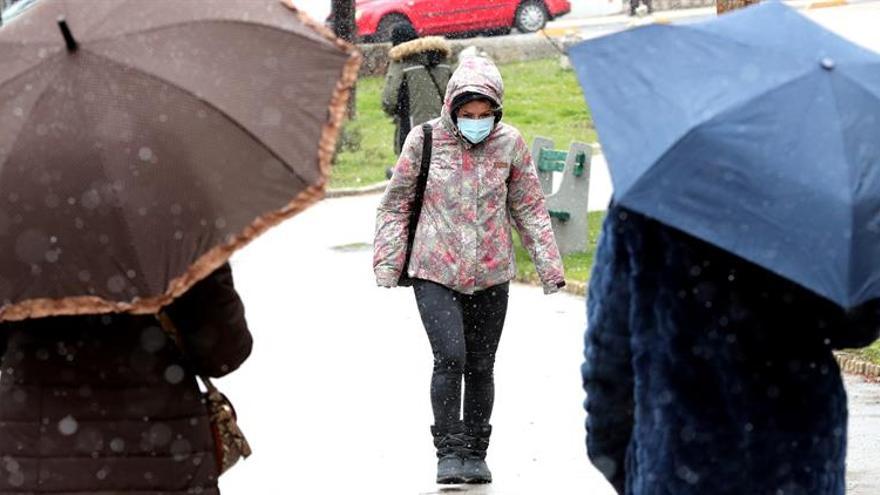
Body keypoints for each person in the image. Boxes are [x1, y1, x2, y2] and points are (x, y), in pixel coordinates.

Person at [582, 204, 880, 494]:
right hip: (798, 464)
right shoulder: (819, 200)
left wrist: (635, 468)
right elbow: (857, 324)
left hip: (679, 461)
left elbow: (607, 361)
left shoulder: (650, 199)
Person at [373, 55, 566, 485]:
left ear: (496, 111)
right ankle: (448, 450)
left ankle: (476, 452)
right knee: (450, 357)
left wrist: (549, 268)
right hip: (434, 268)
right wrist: (387, 262)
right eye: (467, 114)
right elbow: (396, 203)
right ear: (452, 107)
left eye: (484, 115)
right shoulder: (425, 140)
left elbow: (530, 207)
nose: (475, 122)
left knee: (482, 363)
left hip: (491, 272)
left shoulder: (509, 144)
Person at [0, 263, 252, 494]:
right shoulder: (174, 225)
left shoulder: (12, 221)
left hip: (34, 464)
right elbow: (223, 353)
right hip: (166, 460)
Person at [381, 24, 452, 156]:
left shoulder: (401, 62)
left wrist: (394, 111)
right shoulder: (441, 58)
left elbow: (389, 99)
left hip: (411, 126)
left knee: (412, 169)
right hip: (445, 127)